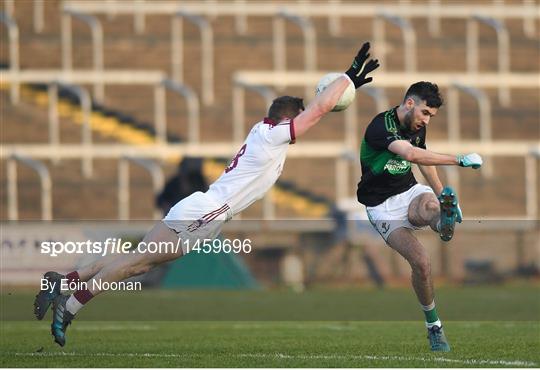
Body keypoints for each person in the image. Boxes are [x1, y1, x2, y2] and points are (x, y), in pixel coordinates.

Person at [34, 42, 380, 347]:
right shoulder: (273, 135)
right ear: (285, 120)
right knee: (134, 262)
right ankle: (70, 305)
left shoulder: (267, 133)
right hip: (205, 210)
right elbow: (316, 111)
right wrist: (347, 78)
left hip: (208, 215)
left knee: (137, 262)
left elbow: (314, 110)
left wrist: (340, 89)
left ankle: (63, 283)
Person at [356, 81, 483, 352]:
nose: (426, 120)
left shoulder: (418, 127)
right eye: (425, 113)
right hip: (381, 208)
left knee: (428, 206)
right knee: (422, 264)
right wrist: (458, 160)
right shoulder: (381, 127)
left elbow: (422, 161)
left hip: (409, 192)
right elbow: (413, 154)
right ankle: (434, 327)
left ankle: (442, 219)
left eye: (431, 116)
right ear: (410, 103)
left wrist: (441, 195)